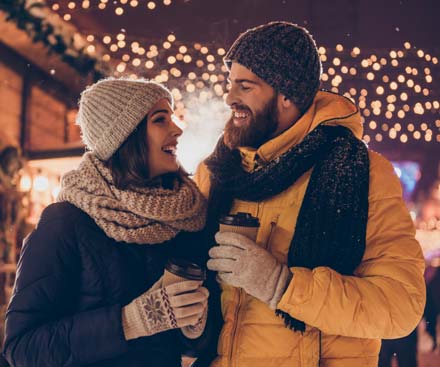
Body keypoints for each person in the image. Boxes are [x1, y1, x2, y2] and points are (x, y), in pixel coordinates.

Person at [194, 21, 427, 366]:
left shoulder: (361, 172)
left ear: (287, 95)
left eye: (245, 86)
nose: (229, 98)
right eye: (230, 84)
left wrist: (282, 284)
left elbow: (400, 306)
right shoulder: (217, 171)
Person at [2, 78, 214, 367]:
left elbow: (193, 346)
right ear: (125, 135)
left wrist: (195, 329)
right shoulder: (66, 221)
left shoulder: (184, 218)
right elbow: (22, 350)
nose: (177, 129)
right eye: (160, 119)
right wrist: (129, 322)